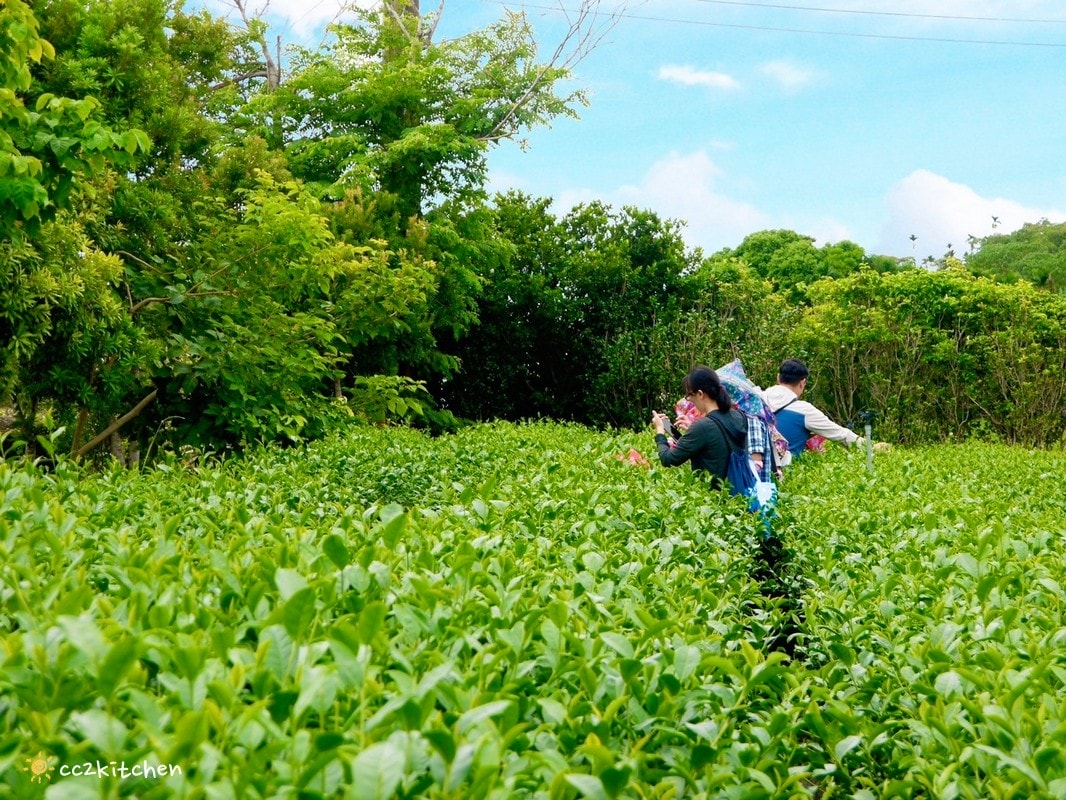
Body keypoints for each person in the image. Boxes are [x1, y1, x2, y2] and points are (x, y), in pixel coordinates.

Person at [652, 366, 748, 490]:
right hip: (739, 493)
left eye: (690, 395)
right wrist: (691, 431)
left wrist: (660, 431)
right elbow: (717, 446)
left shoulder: (703, 426)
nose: (689, 400)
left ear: (700, 394)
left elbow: (668, 459)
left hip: (713, 498)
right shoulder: (739, 416)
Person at [761, 358, 861, 466]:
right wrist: (870, 447)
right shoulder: (804, 410)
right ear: (802, 383)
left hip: (753, 472)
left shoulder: (754, 401)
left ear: (778, 378)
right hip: (785, 474)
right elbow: (841, 435)